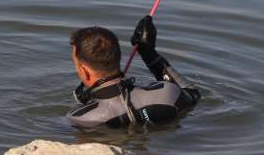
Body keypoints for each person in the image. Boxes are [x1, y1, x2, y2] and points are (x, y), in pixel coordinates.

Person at [67, 16, 200, 130]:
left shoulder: (80, 118)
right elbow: (193, 94)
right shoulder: (167, 92)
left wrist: (79, 104)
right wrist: (148, 52)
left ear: (84, 71)